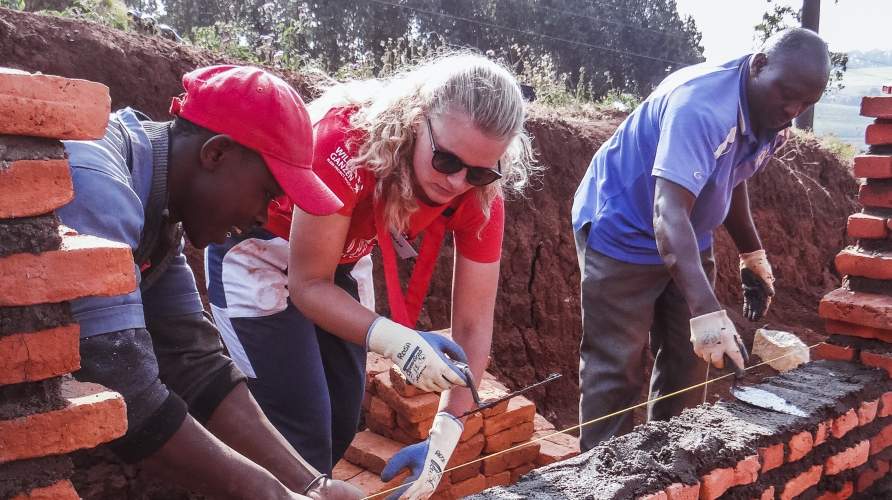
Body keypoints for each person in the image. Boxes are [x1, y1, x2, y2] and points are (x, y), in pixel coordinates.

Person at [205, 53, 535, 500]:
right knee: (297, 432)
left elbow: (474, 327)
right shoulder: (348, 142)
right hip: (260, 245)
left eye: (478, 171)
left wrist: (443, 437)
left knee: (340, 420)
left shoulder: (482, 195)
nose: (458, 182)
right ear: (418, 120)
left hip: (342, 257)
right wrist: (397, 341)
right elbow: (308, 283)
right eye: (446, 160)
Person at [56, 65, 361, 500]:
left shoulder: (160, 213)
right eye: (268, 193)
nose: (263, 217)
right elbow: (120, 385)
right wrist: (269, 494)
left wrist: (311, 483)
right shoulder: (98, 185)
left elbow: (195, 362)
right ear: (216, 153)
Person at [570, 28, 831, 451]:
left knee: (690, 364)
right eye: (788, 94)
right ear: (760, 65)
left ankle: (670, 467)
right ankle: (603, 477)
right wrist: (708, 308)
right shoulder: (702, 107)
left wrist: (752, 253)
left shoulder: (774, 118)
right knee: (617, 366)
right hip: (623, 229)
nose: (793, 109)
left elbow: (731, 175)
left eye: (807, 103)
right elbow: (666, 212)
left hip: (688, 236)